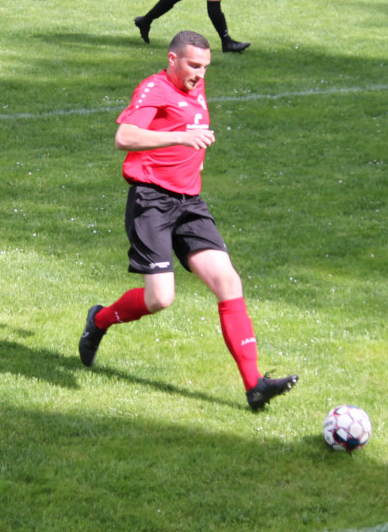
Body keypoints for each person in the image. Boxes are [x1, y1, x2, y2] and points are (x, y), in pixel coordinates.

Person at [79, 30, 297, 411]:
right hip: (151, 202)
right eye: (193, 65)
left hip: (190, 203)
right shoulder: (154, 88)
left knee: (228, 281)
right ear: (172, 60)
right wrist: (181, 137)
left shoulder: (194, 86)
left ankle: (254, 385)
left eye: (206, 68)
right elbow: (124, 137)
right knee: (160, 298)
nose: (200, 75)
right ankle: (99, 321)